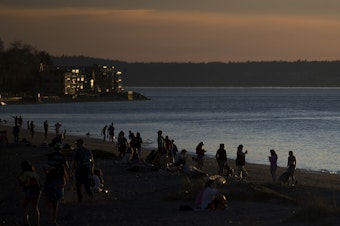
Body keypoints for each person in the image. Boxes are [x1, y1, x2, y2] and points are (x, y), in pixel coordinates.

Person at [44, 143, 69, 225]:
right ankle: (53, 220)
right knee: (55, 203)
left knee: (48, 200)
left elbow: (46, 166)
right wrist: (68, 174)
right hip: (59, 178)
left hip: (50, 177)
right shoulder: (62, 157)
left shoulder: (50, 156)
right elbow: (66, 166)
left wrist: (47, 173)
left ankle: (48, 218)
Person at [17, 160, 41, 226]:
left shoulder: (25, 174)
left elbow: (21, 181)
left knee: (25, 206)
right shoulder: (34, 173)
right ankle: (37, 223)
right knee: (35, 208)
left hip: (30, 191)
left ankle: (26, 222)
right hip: (37, 191)